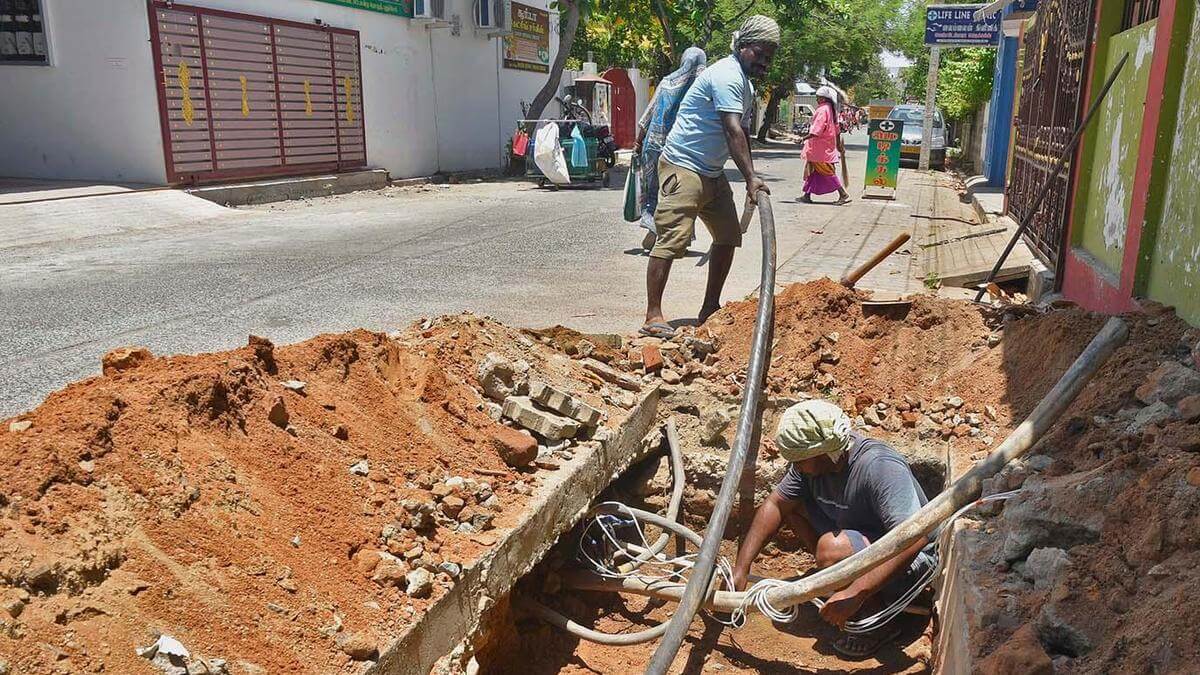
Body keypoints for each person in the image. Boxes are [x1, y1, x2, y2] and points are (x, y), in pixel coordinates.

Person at [731, 400, 936, 658]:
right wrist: (741, 568)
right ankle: (835, 573)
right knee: (793, 508)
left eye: (801, 460)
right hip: (864, 541)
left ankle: (877, 621)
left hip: (913, 564)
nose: (796, 466)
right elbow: (776, 504)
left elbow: (914, 539)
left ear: (824, 452)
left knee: (832, 549)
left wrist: (855, 593)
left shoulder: (879, 467)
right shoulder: (809, 467)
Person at [639, 15, 779, 339]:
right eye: (760, 54)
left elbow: (743, 131)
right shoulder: (727, 76)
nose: (764, 62)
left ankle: (709, 307)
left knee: (728, 235)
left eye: (769, 57)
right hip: (683, 165)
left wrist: (752, 177)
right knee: (671, 238)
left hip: (711, 172)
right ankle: (652, 314)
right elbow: (732, 131)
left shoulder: (745, 84)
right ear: (743, 48)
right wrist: (749, 178)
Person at [633, 47, 708, 252]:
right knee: (681, 195)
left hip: (654, 145)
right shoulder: (703, 87)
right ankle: (675, 237)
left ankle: (655, 229)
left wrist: (638, 143)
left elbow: (649, 114)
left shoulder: (667, 81)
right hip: (684, 151)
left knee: (654, 192)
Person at [799, 85, 851, 205]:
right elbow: (837, 130)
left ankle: (843, 194)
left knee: (826, 172)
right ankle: (807, 195)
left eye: (818, 98)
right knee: (813, 171)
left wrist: (803, 138)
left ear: (823, 99)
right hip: (826, 146)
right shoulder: (831, 109)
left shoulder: (822, 110)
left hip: (820, 149)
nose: (817, 100)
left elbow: (817, 129)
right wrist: (838, 144)